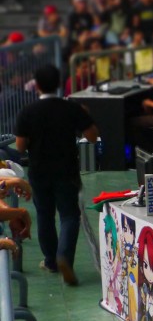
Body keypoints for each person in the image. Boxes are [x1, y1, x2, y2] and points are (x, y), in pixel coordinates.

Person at [15, 64, 99, 286]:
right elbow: (92, 136)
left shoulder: (28, 111)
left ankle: (51, 261)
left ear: (37, 86)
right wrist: (85, 116)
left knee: (45, 215)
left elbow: (20, 146)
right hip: (66, 171)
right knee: (69, 216)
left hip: (39, 171)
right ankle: (65, 258)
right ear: (59, 83)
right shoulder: (71, 108)